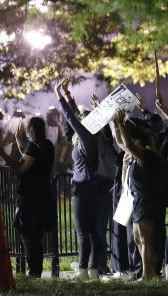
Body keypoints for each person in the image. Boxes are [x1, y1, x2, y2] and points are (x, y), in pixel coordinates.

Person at [56, 78, 114, 280]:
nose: (80, 118)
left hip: (84, 189)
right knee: (97, 232)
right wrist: (70, 97)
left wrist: (60, 96)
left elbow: (71, 121)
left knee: (84, 232)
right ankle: (94, 270)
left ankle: (83, 270)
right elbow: (71, 126)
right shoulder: (102, 138)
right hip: (100, 188)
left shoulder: (87, 138)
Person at [0, 116, 56, 277]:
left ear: (32, 129)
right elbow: (29, 154)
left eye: (27, 127)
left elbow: (22, 168)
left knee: (29, 234)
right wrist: (18, 141)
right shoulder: (47, 145)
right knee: (34, 234)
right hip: (43, 195)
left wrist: (3, 155)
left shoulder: (33, 146)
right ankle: (35, 270)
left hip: (31, 197)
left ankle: (34, 271)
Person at [111, 111, 163, 280]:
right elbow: (120, 142)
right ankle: (149, 272)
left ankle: (148, 274)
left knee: (145, 238)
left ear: (136, 139)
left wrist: (121, 124)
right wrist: (115, 123)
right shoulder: (135, 153)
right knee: (138, 238)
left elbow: (126, 143)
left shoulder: (145, 153)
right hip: (138, 200)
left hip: (147, 200)